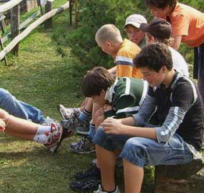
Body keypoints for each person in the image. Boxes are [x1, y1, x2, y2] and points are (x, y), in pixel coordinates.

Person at [80, 43, 204, 193]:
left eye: (147, 74)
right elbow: (140, 118)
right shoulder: (157, 84)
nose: (144, 79)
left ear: (163, 69)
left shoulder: (183, 89)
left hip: (183, 144)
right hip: (161, 133)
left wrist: (123, 129)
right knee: (104, 131)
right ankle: (109, 191)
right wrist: (116, 123)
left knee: (134, 146)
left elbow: (164, 134)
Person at [146, 0, 204, 149]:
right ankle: (202, 125)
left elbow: (174, 46)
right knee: (202, 87)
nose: (154, 14)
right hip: (201, 44)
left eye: (156, 10)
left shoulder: (179, 15)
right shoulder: (168, 15)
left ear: (166, 6)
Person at [61, 24, 143, 154]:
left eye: (101, 47)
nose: (102, 50)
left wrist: (108, 103)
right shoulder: (127, 46)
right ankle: (82, 119)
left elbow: (123, 83)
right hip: (135, 88)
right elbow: (119, 72)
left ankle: (90, 137)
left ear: (109, 44)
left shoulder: (123, 54)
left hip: (132, 98)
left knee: (98, 99)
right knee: (96, 85)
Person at [70, 67, 148, 193]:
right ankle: (101, 167)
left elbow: (125, 125)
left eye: (94, 97)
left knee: (103, 125)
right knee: (101, 117)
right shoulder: (116, 87)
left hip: (150, 128)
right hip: (142, 123)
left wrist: (108, 113)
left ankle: (102, 172)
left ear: (101, 92)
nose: (94, 101)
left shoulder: (124, 95)